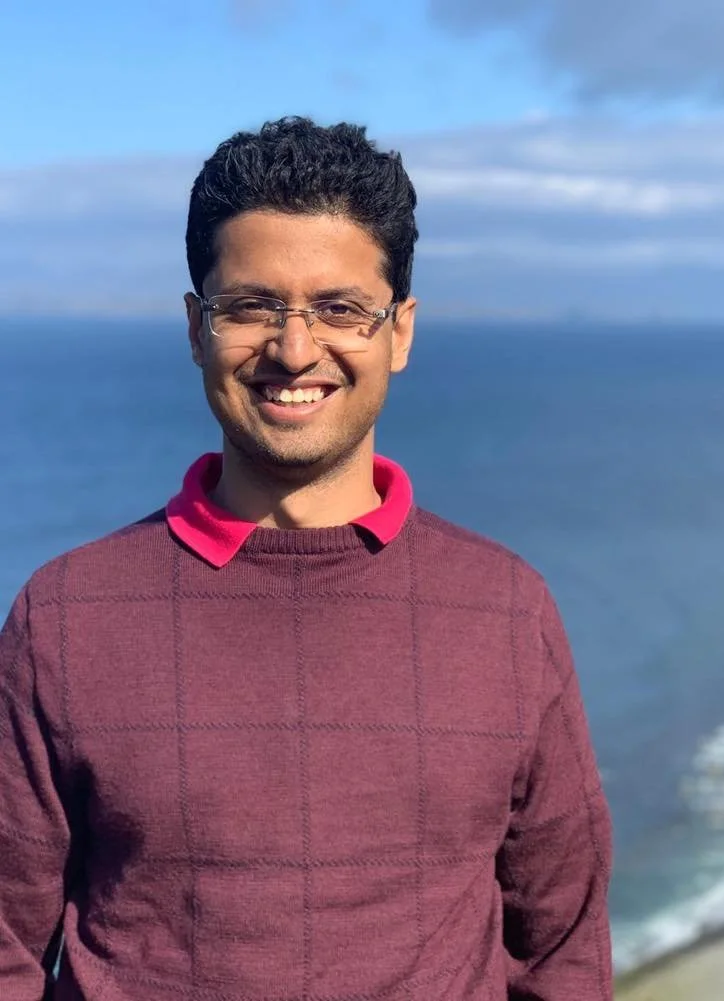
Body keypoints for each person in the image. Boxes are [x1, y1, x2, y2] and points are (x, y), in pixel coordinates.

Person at [0, 117, 613, 1001]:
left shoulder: (508, 610)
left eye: (340, 308)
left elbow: (564, 950)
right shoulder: (65, 615)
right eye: (251, 306)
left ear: (399, 331)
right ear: (195, 328)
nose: (294, 348)